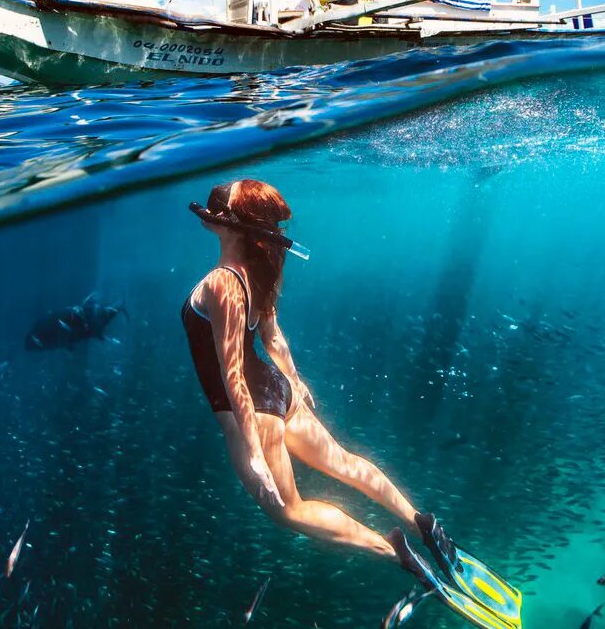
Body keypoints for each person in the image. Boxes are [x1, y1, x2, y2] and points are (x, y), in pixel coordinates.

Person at [181, 180, 522, 628]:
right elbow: (272, 337)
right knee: (344, 461)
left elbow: (232, 378)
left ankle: (397, 553)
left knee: (289, 509)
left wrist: (252, 450)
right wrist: (295, 384)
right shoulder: (259, 270)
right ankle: (423, 523)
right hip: (278, 392)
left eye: (217, 212)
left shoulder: (222, 283)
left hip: (253, 410)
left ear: (227, 228)